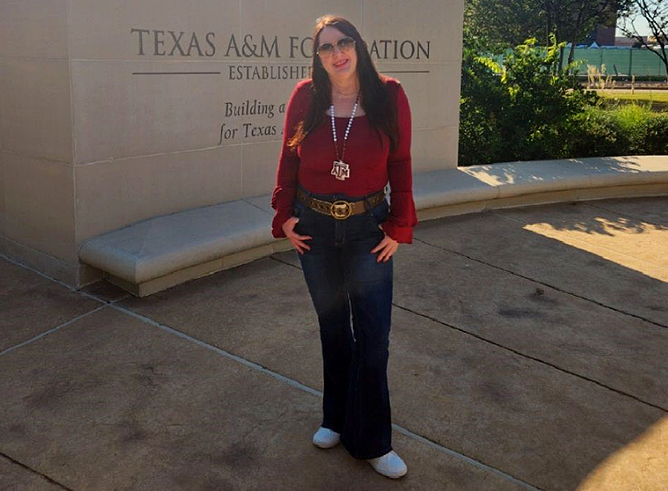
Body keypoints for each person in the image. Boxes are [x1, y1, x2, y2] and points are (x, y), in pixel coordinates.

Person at [270, 14, 417, 479]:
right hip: (314, 229)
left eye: (344, 42)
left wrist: (400, 225)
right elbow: (288, 161)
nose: (337, 53)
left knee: (373, 338)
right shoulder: (305, 97)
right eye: (326, 46)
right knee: (333, 329)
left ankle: (372, 440)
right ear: (318, 56)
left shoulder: (388, 95)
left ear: (358, 46)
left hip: (367, 231)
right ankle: (335, 417)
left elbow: (401, 162)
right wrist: (284, 215)